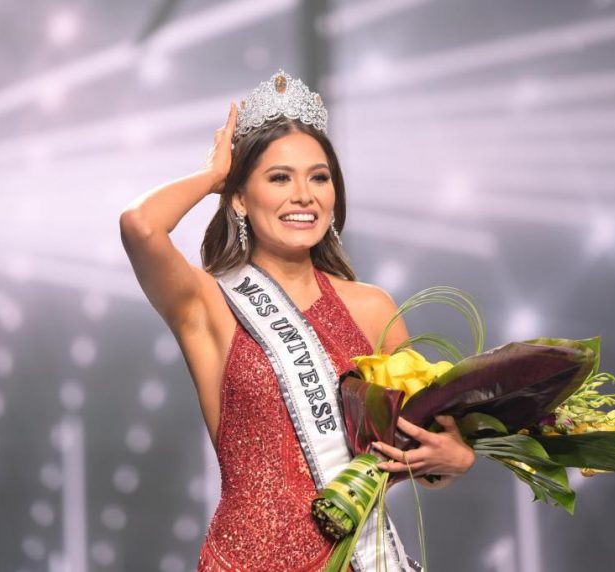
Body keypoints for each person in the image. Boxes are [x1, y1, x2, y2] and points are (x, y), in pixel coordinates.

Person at [120, 70, 475, 572]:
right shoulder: (208, 302)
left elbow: (410, 450)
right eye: (279, 178)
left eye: (319, 177)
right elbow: (140, 225)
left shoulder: (373, 309)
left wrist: (454, 460)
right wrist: (214, 175)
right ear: (240, 198)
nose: (304, 195)